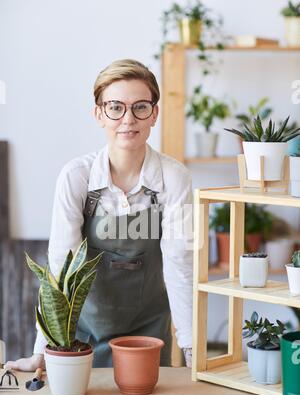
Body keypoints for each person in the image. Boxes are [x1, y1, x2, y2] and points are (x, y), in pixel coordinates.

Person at [5, 59, 193, 371]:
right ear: (99, 114)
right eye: (115, 107)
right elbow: (59, 268)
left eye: (140, 107)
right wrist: (41, 352)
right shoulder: (76, 177)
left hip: (148, 335)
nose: (128, 119)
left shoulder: (174, 178)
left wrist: (191, 351)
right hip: (81, 338)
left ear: (154, 114)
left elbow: (180, 264)